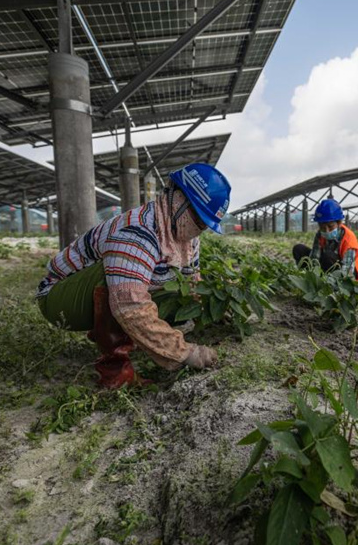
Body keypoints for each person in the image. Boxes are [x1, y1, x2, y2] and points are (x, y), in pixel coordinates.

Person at [36, 163, 230, 389]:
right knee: (122, 286)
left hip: (98, 296)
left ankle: (127, 337)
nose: (199, 228)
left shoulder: (187, 238)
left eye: (204, 225)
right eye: (197, 217)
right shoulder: (137, 232)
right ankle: (116, 374)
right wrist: (184, 353)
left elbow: (192, 280)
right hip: (60, 299)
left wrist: (212, 308)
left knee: (174, 289)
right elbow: (129, 305)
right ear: (177, 199)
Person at [292, 198, 358, 281]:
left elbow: (347, 270)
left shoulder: (349, 239)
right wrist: (312, 277)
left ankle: (330, 285)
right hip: (327, 268)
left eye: (330, 226)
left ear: (339, 223)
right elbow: (314, 258)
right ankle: (311, 280)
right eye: (322, 227)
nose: (326, 231)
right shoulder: (320, 234)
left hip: (351, 277)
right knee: (298, 249)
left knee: (328, 255)